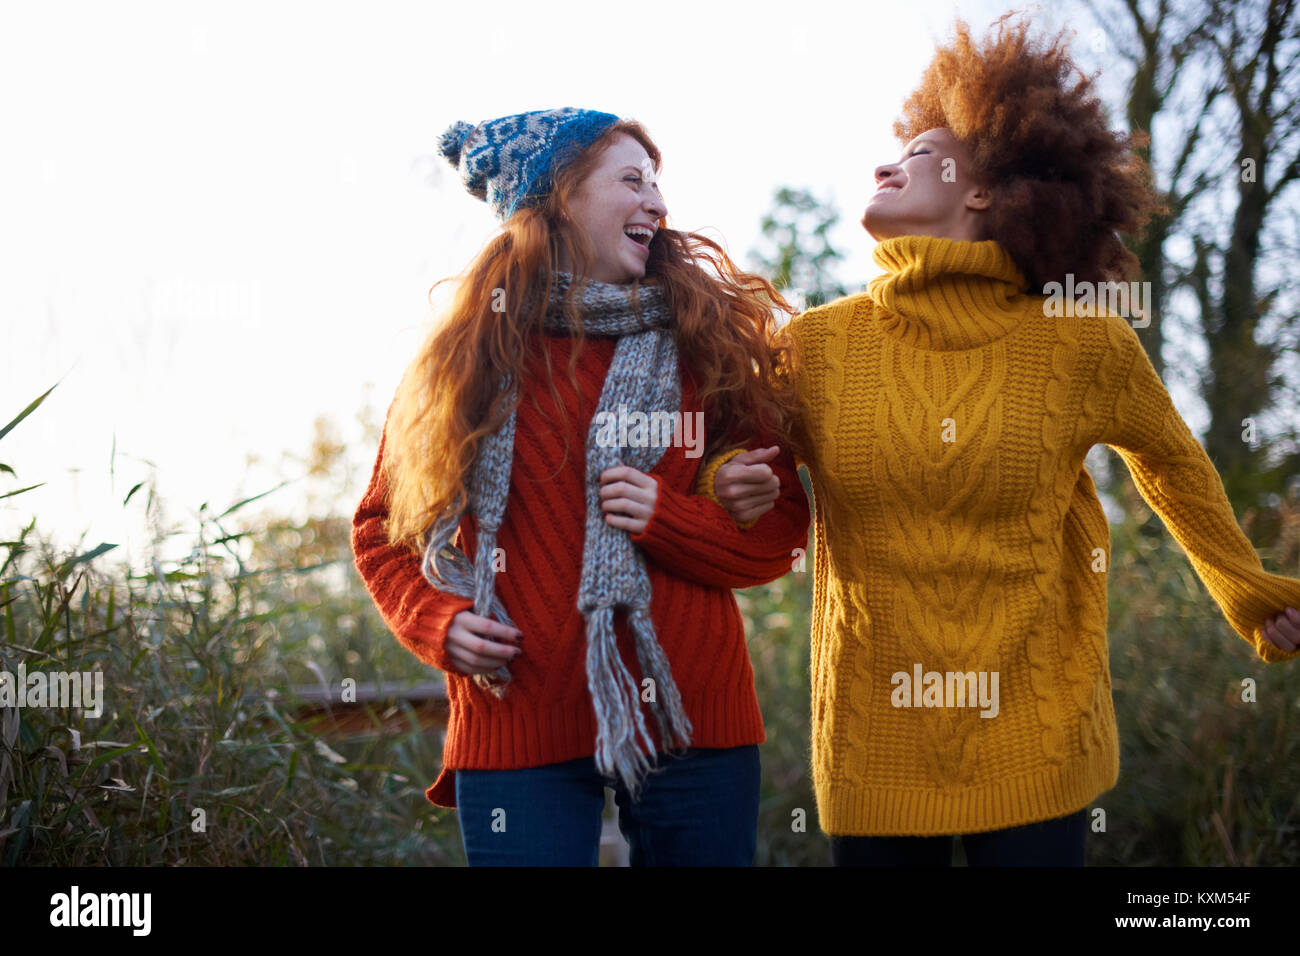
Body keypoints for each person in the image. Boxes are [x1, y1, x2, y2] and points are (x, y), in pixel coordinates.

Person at [702, 17, 1300, 866]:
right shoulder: (821, 345)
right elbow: (728, 456)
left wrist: (1246, 587)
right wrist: (733, 481)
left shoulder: (1082, 343)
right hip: (877, 742)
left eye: (916, 152)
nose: (884, 164)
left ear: (984, 191)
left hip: (1037, 734)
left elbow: (1173, 465)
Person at [350, 108, 810, 866]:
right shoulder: (463, 363)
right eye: (632, 181)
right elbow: (382, 530)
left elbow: (778, 535)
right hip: (517, 713)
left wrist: (670, 519)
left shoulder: (707, 348)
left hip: (690, 715)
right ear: (558, 198)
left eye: (658, 185)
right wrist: (439, 621)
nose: (658, 205)